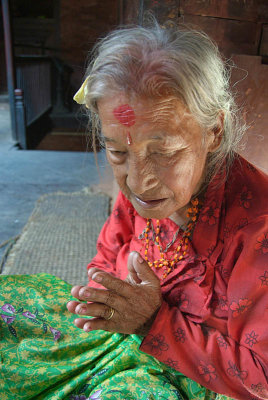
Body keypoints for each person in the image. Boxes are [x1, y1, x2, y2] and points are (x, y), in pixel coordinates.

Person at [1, 22, 267, 400]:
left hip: (189, 376)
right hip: (119, 331)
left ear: (215, 131)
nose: (139, 183)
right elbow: (108, 253)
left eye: (164, 153)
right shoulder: (145, 186)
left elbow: (262, 377)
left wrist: (152, 322)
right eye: (118, 152)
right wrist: (104, 299)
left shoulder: (259, 230)